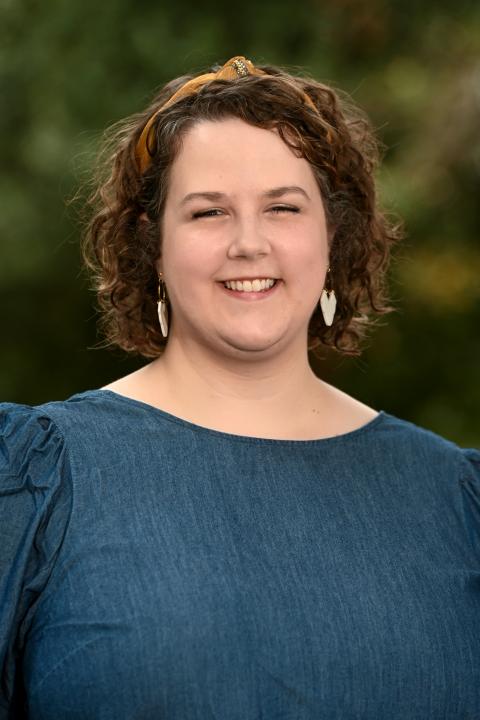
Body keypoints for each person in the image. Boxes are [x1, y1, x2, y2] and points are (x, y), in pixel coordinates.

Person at [0, 55, 479, 719]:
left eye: (283, 207)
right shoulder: (37, 480)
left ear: (332, 236)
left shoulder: (454, 500)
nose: (249, 244)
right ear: (152, 246)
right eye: (208, 213)